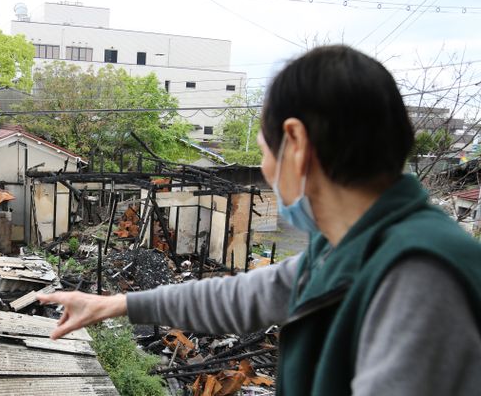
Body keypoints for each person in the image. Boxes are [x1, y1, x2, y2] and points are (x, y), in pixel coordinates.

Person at [38, 45, 481, 396]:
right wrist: (113, 305)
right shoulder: (349, 251)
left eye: (265, 152)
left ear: (296, 142)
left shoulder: (417, 276)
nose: (267, 170)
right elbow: (240, 296)